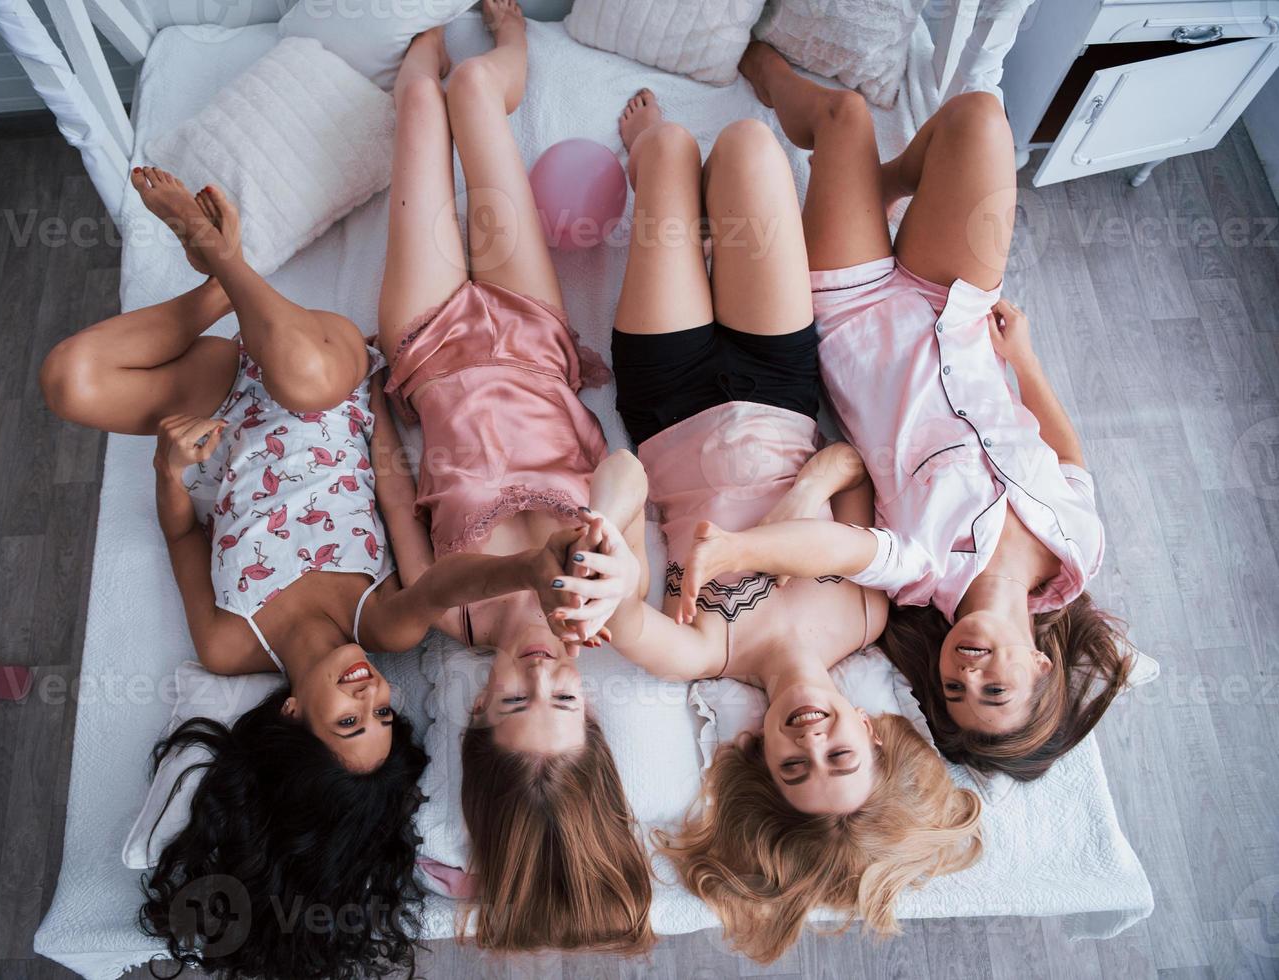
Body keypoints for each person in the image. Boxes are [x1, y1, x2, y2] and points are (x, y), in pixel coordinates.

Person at [38, 137, 588, 977]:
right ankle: (229, 261)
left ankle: (216, 287)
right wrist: (523, 568)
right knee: (299, 377)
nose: (373, 697)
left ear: (293, 717)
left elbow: (183, 534)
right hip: (326, 377)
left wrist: (169, 469)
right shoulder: (383, 623)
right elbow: (445, 574)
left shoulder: (230, 644)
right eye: (384, 718)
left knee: (69, 381)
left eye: (348, 721)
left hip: (228, 397)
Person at [548, 92, 981, 961]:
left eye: (794, 768)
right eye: (839, 758)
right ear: (870, 734)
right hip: (778, 379)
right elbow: (848, 461)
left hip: (666, 394)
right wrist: (797, 501)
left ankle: (658, 179)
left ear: (752, 751)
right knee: (748, 144)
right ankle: (715, 220)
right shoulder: (865, 615)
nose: (814, 742)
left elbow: (627, 605)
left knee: (669, 148)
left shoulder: (700, 651)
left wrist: (605, 575)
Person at [684, 43, 1138, 781]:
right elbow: (1068, 461)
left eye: (955, 692)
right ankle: (889, 186)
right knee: (979, 119)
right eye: (994, 688)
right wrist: (1023, 360)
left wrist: (736, 553)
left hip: (855, 313)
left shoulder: (919, 575)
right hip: (953, 306)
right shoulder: (1077, 549)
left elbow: (835, 551)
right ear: (1042, 669)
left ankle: (773, 84)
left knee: (844, 116)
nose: (969, 673)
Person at [372, 2, 652, 952]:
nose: (540, 676)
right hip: (534, 339)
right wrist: (605, 534)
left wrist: (366, 408)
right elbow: (622, 466)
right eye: (563, 702)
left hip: (426, 347)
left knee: (420, 101)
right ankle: (516, 46)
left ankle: (410, 18)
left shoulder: (453, 614)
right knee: (473, 92)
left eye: (513, 705)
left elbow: (389, 483)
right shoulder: (608, 602)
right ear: (592, 708)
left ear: (476, 713)